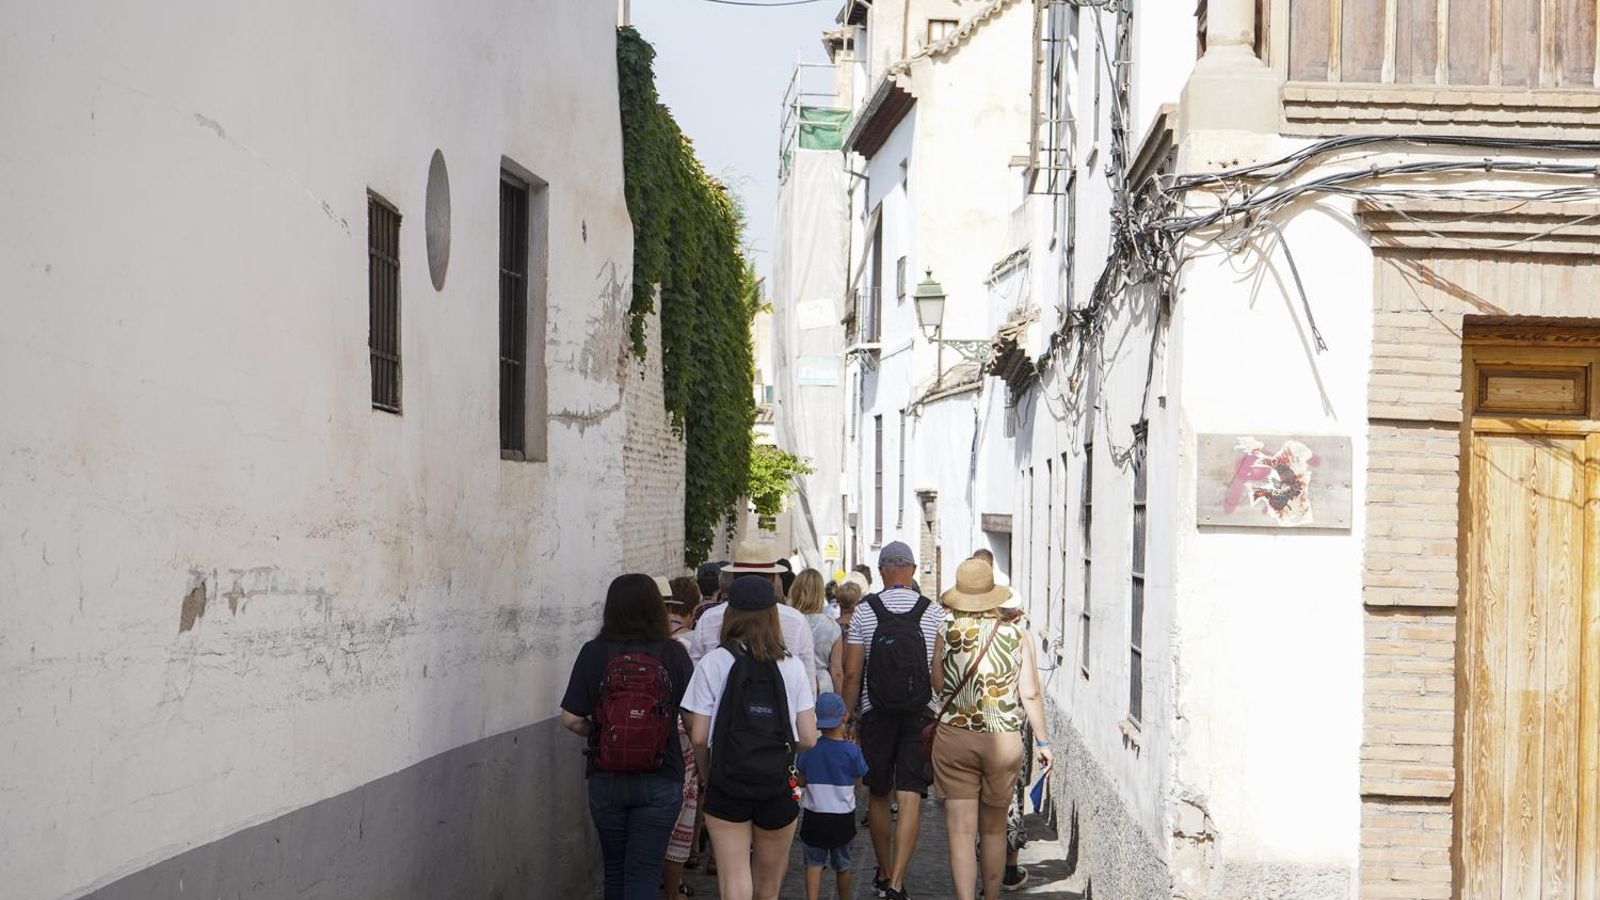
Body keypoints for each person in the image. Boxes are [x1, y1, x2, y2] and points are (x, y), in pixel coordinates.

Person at [560, 574, 696, 900]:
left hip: (606, 776)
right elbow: (692, 720)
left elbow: (571, 719)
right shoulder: (674, 654)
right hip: (661, 775)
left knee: (615, 872)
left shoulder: (593, 652)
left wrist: (600, 732)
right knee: (644, 874)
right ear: (657, 608)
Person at [683, 576, 819, 900]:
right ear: (773, 616)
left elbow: (699, 736)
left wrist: (708, 775)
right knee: (768, 886)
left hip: (727, 781)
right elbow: (809, 738)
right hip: (778, 784)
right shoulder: (792, 665)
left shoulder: (713, 662)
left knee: (734, 881)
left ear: (730, 614)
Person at [929, 558, 1053, 900]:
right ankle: (992, 896)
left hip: (954, 737)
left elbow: (937, 683)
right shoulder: (1017, 634)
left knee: (960, 832)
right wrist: (1043, 742)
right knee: (994, 830)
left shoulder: (945, 630)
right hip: (1003, 739)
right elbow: (1030, 693)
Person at [840, 542, 943, 900]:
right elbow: (938, 673)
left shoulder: (865, 612)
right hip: (920, 714)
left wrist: (848, 716)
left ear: (882, 571)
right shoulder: (933, 612)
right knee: (911, 794)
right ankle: (898, 882)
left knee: (879, 793)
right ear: (912, 570)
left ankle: (883, 873)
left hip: (876, 713)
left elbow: (852, 673)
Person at [689, 534, 817, 687]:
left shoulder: (708, 619)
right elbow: (809, 683)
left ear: (734, 577)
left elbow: (696, 677)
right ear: (773, 579)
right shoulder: (796, 621)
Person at [795, 692, 869, 900]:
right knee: (843, 865)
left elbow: (801, 781)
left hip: (814, 816)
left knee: (813, 863)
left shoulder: (809, 750)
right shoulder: (852, 752)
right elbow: (859, 783)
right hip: (842, 818)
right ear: (844, 716)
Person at [663, 575, 705, 895]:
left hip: (648, 738)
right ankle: (674, 888)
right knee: (681, 816)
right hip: (683, 739)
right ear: (692, 610)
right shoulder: (693, 645)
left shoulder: (647, 644)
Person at [790, 568, 843, 696]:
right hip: (824, 686)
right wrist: (839, 700)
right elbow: (836, 671)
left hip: (794, 683)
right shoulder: (832, 626)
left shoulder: (790, 621)